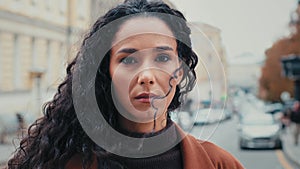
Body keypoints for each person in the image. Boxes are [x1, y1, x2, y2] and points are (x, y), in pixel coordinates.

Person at [6, 0, 244, 168]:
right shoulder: (59, 162)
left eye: (162, 58)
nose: (146, 76)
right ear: (106, 72)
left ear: (180, 71)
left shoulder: (220, 164)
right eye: (128, 59)